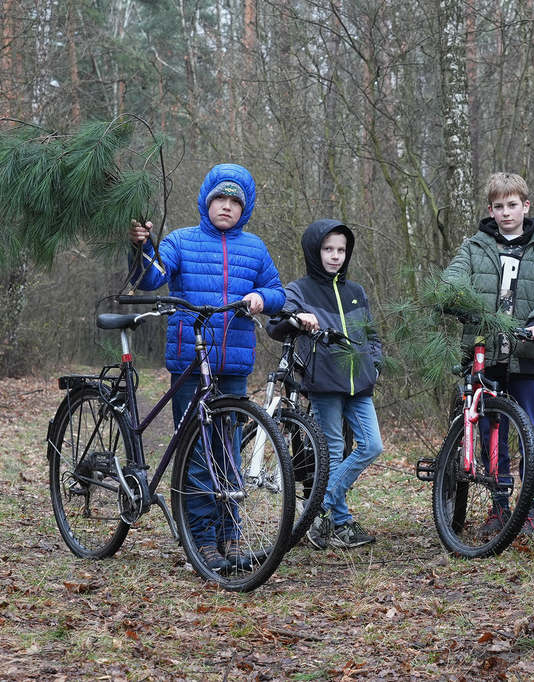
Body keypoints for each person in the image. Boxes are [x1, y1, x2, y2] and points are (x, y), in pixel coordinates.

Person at [129, 162, 285, 572]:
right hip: (189, 364)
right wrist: (142, 247)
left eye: (236, 201)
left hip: (232, 364)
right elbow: (151, 278)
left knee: (228, 452)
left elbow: (277, 291)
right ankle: (201, 540)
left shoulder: (254, 248)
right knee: (197, 452)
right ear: (206, 200)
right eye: (221, 198)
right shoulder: (181, 240)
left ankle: (231, 536)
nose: (227, 206)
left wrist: (261, 300)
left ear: (244, 207)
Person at [441, 172, 534, 535]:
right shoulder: (475, 246)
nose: (506, 212)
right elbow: (455, 276)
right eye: (499, 206)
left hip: (525, 350)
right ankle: (498, 504)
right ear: (490, 210)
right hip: (484, 352)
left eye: (512, 205)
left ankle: (533, 507)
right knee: (488, 427)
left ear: (525, 206)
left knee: (532, 427)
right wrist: (453, 297)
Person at [267, 219, 384, 549]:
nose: (335, 256)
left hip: (359, 383)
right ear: (314, 251)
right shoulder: (299, 290)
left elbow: (372, 335)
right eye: (328, 249)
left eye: (341, 250)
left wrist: (374, 365)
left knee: (372, 446)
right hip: (324, 382)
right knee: (332, 452)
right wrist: (297, 319)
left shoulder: (356, 292)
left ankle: (316, 511)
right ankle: (340, 523)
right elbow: (276, 324)